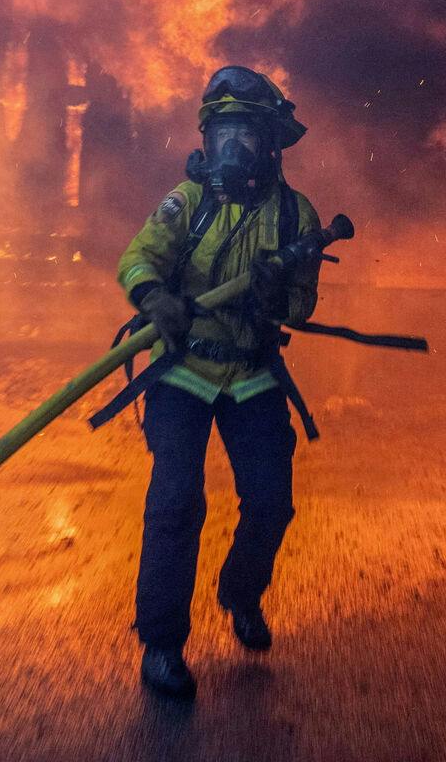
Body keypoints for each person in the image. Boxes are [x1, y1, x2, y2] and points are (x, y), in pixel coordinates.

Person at [113, 65, 322, 699]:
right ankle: (162, 645)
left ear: (270, 145)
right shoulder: (189, 201)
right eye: (221, 134)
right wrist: (154, 298)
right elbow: (138, 257)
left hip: (252, 375)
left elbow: (303, 303)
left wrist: (276, 300)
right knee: (176, 502)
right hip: (182, 371)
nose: (230, 148)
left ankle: (241, 593)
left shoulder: (297, 216)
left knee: (272, 502)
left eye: (244, 135)